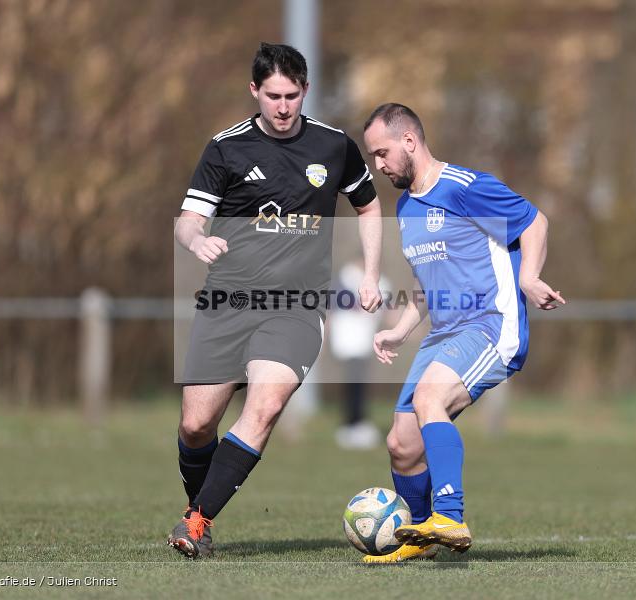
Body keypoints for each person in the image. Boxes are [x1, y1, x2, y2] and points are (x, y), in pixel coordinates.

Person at [168, 43, 382, 559]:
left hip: (296, 306)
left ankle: (197, 521)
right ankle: (200, 510)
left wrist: (373, 273)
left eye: (291, 95)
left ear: (305, 90)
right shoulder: (226, 148)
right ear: (254, 91)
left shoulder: (335, 146)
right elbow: (188, 221)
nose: (283, 107)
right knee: (196, 426)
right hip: (227, 299)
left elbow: (369, 207)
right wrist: (197, 242)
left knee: (263, 408)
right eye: (272, 96)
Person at [360, 103, 565, 563]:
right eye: (373, 156)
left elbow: (535, 221)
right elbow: (425, 281)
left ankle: (449, 516)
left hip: (490, 324)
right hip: (444, 333)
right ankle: (420, 540)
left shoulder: (464, 186)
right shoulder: (406, 207)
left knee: (429, 399)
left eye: (382, 153)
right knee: (402, 443)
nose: (378, 165)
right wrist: (400, 330)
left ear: (409, 141)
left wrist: (529, 277)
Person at [328, 259, 389, 450]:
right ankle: (353, 424)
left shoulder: (381, 282)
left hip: (365, 341)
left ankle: (356, 423)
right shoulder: (344, 279)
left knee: (359, 384)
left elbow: (385, 311)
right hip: (348, 341)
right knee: (354, 384)